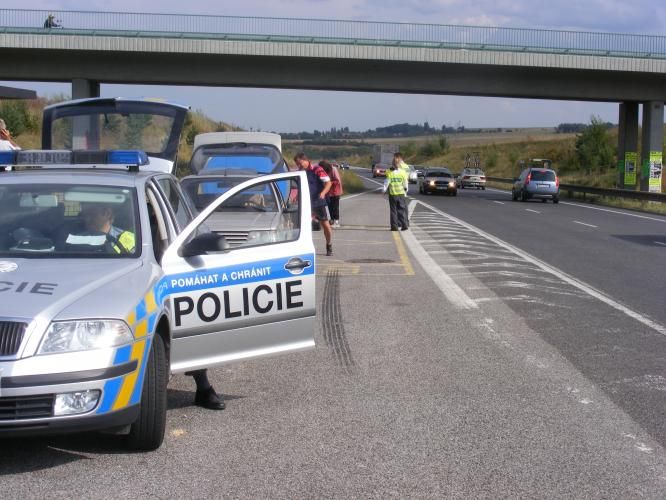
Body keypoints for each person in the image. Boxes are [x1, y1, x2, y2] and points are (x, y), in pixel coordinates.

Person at [294, 152, 333, 256]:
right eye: (297, 164)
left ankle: (329, 245)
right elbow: (300, 186)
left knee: (325, 224)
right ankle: (303, 248)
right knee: (303, 225)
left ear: (305, 160)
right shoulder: (300, 172)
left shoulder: (317, 169)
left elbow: (329, 183)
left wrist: (323, 193)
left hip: (318, 201)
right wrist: (297, 196)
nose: (299, 166)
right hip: (306, 203)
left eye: (300, 163)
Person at [383, 158, 409, 231]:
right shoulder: (403, 172)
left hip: (393, 194)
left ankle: (394, 227)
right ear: (400, 164)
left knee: (393, 211)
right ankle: (404, 225)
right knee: (401, 210)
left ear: (392, 164)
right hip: (401, 194)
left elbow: (386, 183)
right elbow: (405, 183)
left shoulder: (389, 172)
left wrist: (384, 190)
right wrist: (406, 190)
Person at [319, 160, 343, 228]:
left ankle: (336, 221)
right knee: (329, 206)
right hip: (328, 192)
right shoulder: (324, 171)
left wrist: (329, 183)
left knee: (335, 206)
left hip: (335, 191)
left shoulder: (333, 169)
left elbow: (337, 181)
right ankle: (332, 220)